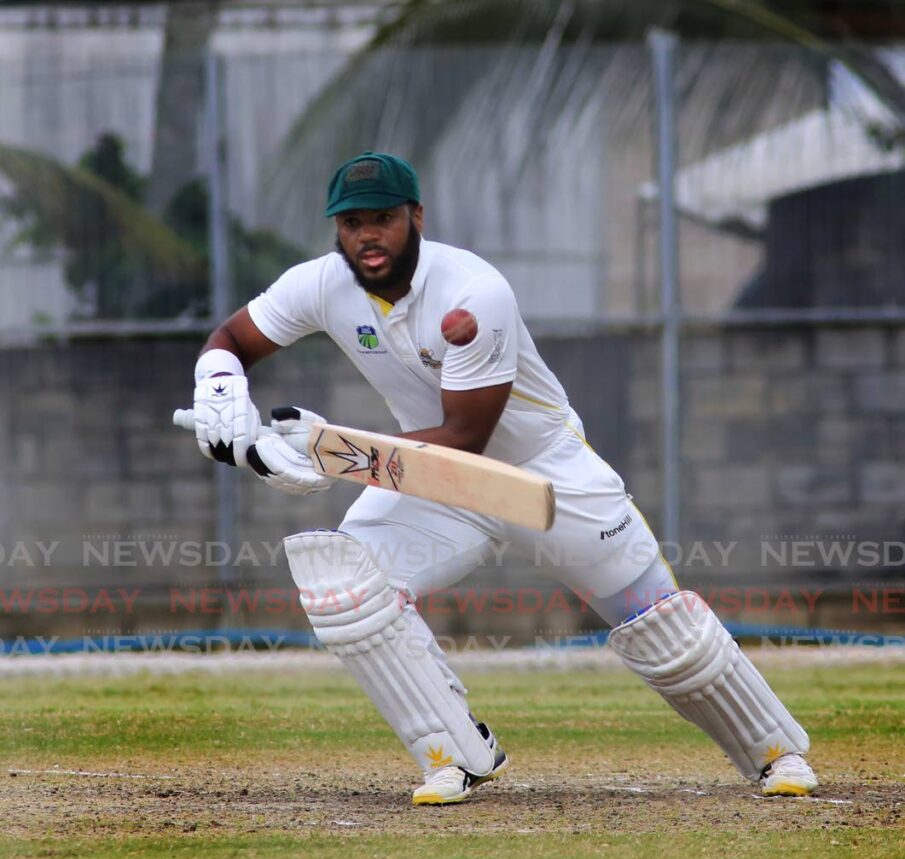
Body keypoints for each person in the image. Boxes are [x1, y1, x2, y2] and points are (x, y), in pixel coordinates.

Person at [191, 151, 818, 805]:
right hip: (433, 484)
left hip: (542, 473)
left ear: (416, 218)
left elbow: (467, 438)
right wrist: (221, 393)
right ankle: (454, 756)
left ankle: (774, 753)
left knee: (658, 627)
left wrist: (331, 454)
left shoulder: (471, 292)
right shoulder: (319, 285)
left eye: (383, 219)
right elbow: (230, 340)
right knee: (344, 585)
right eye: (351, 223)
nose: (366, 236)